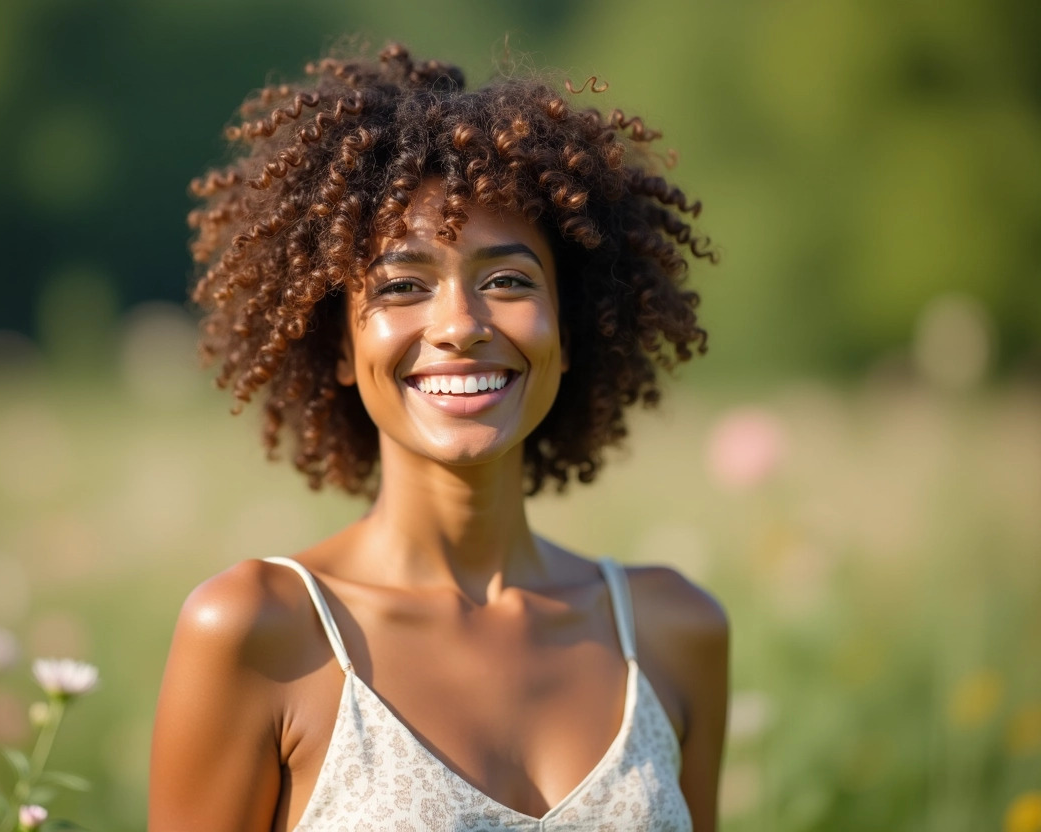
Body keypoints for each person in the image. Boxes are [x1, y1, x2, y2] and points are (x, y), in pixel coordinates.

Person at [149, 43, 728, 832]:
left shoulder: (675, 631)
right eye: (402, 286)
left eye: (508, 281)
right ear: (340, 349)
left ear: (573, 329)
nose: (459, 325)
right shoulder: (257, 630)